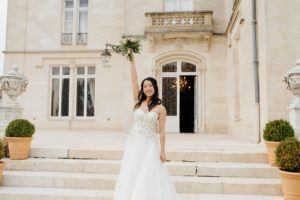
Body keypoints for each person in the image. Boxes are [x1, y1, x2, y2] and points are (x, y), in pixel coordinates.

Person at [113, 49, 183, 200]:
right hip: (134, 142)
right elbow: (133, 80)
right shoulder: (138, 102)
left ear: (155, 87)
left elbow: (162, 131)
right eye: (145, 86)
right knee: (132, 171)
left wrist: (163, 151)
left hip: (150, 145)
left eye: (150, 85)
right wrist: (131, 60)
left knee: (148, 174)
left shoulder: (161, 108)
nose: (147, 88)